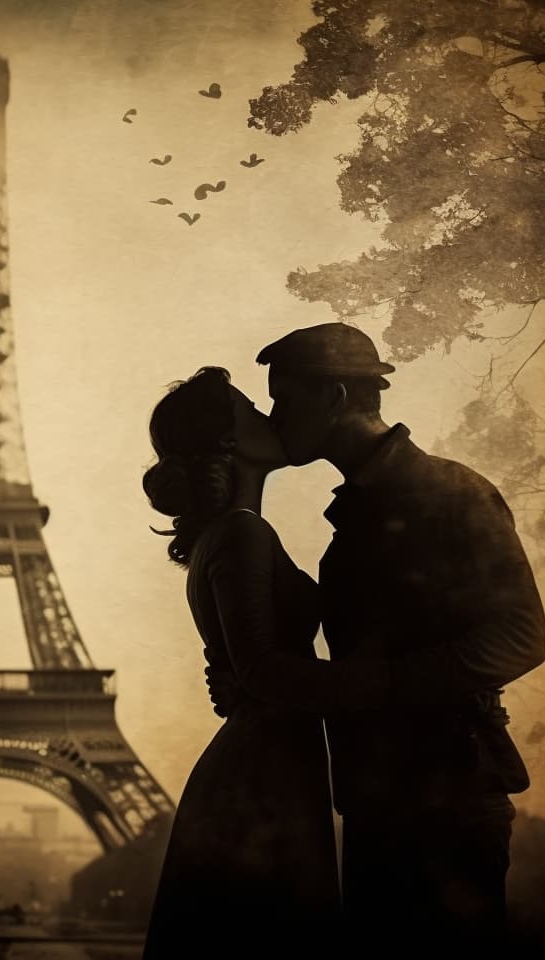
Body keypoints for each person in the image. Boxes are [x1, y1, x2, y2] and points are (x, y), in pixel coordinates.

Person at [207, 323, 545, 952]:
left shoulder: (449, 492)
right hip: (381, 801)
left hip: (445, 802)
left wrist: (370, 685)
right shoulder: (368, 511)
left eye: (284, 400)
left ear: (334, 397)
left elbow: (521, 636)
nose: (276, 417)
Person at [139, 366, 384, 959]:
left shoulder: (227, 535)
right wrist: (383, 686)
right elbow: (262, 670)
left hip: (266, 759)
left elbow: (248, 667)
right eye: (252, 408)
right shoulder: (240, 533)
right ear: (229, 440)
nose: (270, 417)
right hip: (265, 772)